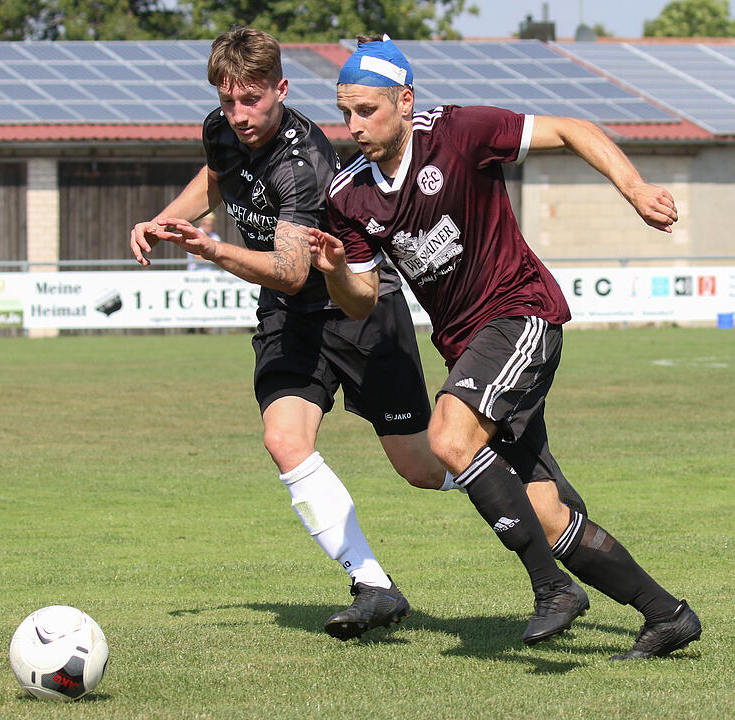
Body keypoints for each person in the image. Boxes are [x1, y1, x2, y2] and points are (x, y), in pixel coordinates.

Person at [309, 35, 702, 659]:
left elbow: (574, 130)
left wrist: (633, 190)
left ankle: (552, 589)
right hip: (468, 346)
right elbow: (359, 301)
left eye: (366, 111)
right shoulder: (348, 196)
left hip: (521, 314)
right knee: (545, 514)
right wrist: (333, 270)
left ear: (405, 102)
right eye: (345, 112)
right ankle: (667, 614)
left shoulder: (461, 131)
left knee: (447, 437)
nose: (353, 125)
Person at [130, 27, 447, 641]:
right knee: (283, 438)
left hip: (354, 305)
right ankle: (373, 584)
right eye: (228, 101)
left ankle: (517, 479)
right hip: (288, 315)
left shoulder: (303, 165)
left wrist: (213, 249)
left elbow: (292, 267)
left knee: (424, 468)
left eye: (252, 100)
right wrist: (168, 219)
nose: (239, 116)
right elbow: (218, 177)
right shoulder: (220, 129)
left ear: (281, 88)